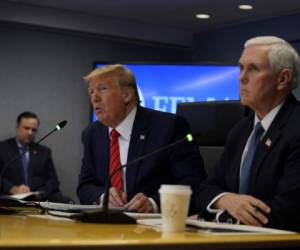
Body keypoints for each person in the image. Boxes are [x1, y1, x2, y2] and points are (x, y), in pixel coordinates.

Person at [196, 36, 300, 231]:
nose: (241, 77)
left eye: (253, 68)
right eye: (241, 68)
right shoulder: (240, 130)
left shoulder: (296, 128)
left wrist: (220, 216)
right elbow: (205, 190)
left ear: (282, 79)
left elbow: (289, 211)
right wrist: (226, 200)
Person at [77, 64, 206, 213]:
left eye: (102, 89)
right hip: (108, 225)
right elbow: (85, 186)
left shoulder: (169, 128)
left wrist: (154, 203)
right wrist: (103, 196)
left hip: (157, 227)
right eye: (91, 92)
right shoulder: (92, 134)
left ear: (127, 95)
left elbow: (194, 183)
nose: (95, 98)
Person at [0, 111, 71, 203]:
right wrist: (12, 188)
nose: (30, 132)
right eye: (26, 128)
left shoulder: (44, 152)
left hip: (38, 200)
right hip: (9, 198)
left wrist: (38, 194)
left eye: (34, 130)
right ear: (17, 127)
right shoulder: (2, 148)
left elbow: (53, 182)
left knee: (67, 201)